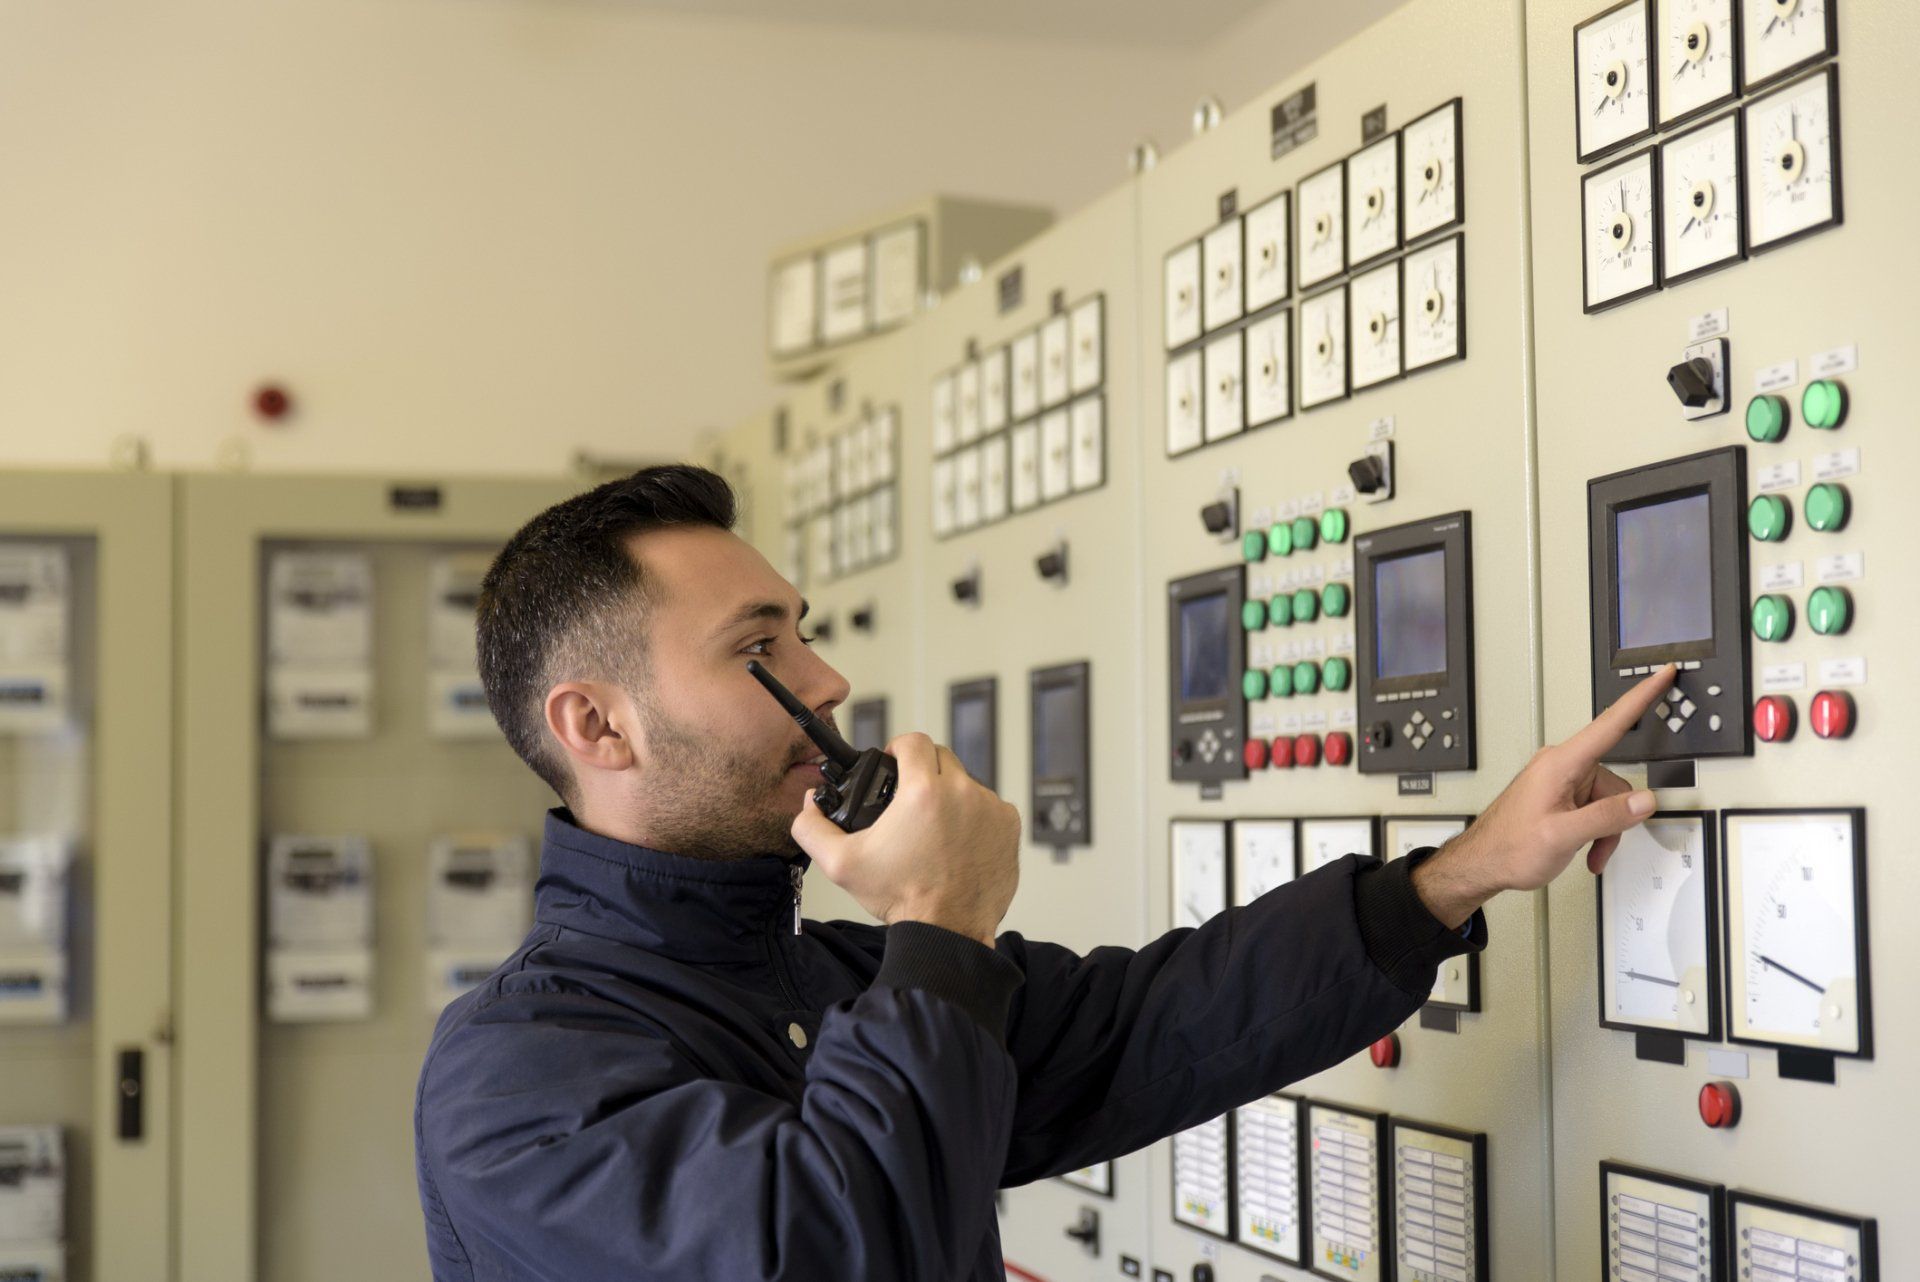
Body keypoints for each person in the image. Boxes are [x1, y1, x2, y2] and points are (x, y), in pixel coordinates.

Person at [413, 465, 1672, 1281]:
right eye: (761, 649)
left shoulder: (829, 977)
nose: (827, 680)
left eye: (805, 633)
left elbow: (1148, 1025)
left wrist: (1458, 873)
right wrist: (935, 915)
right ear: (599, 726)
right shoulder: (514, 1075)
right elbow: (841, 1249)